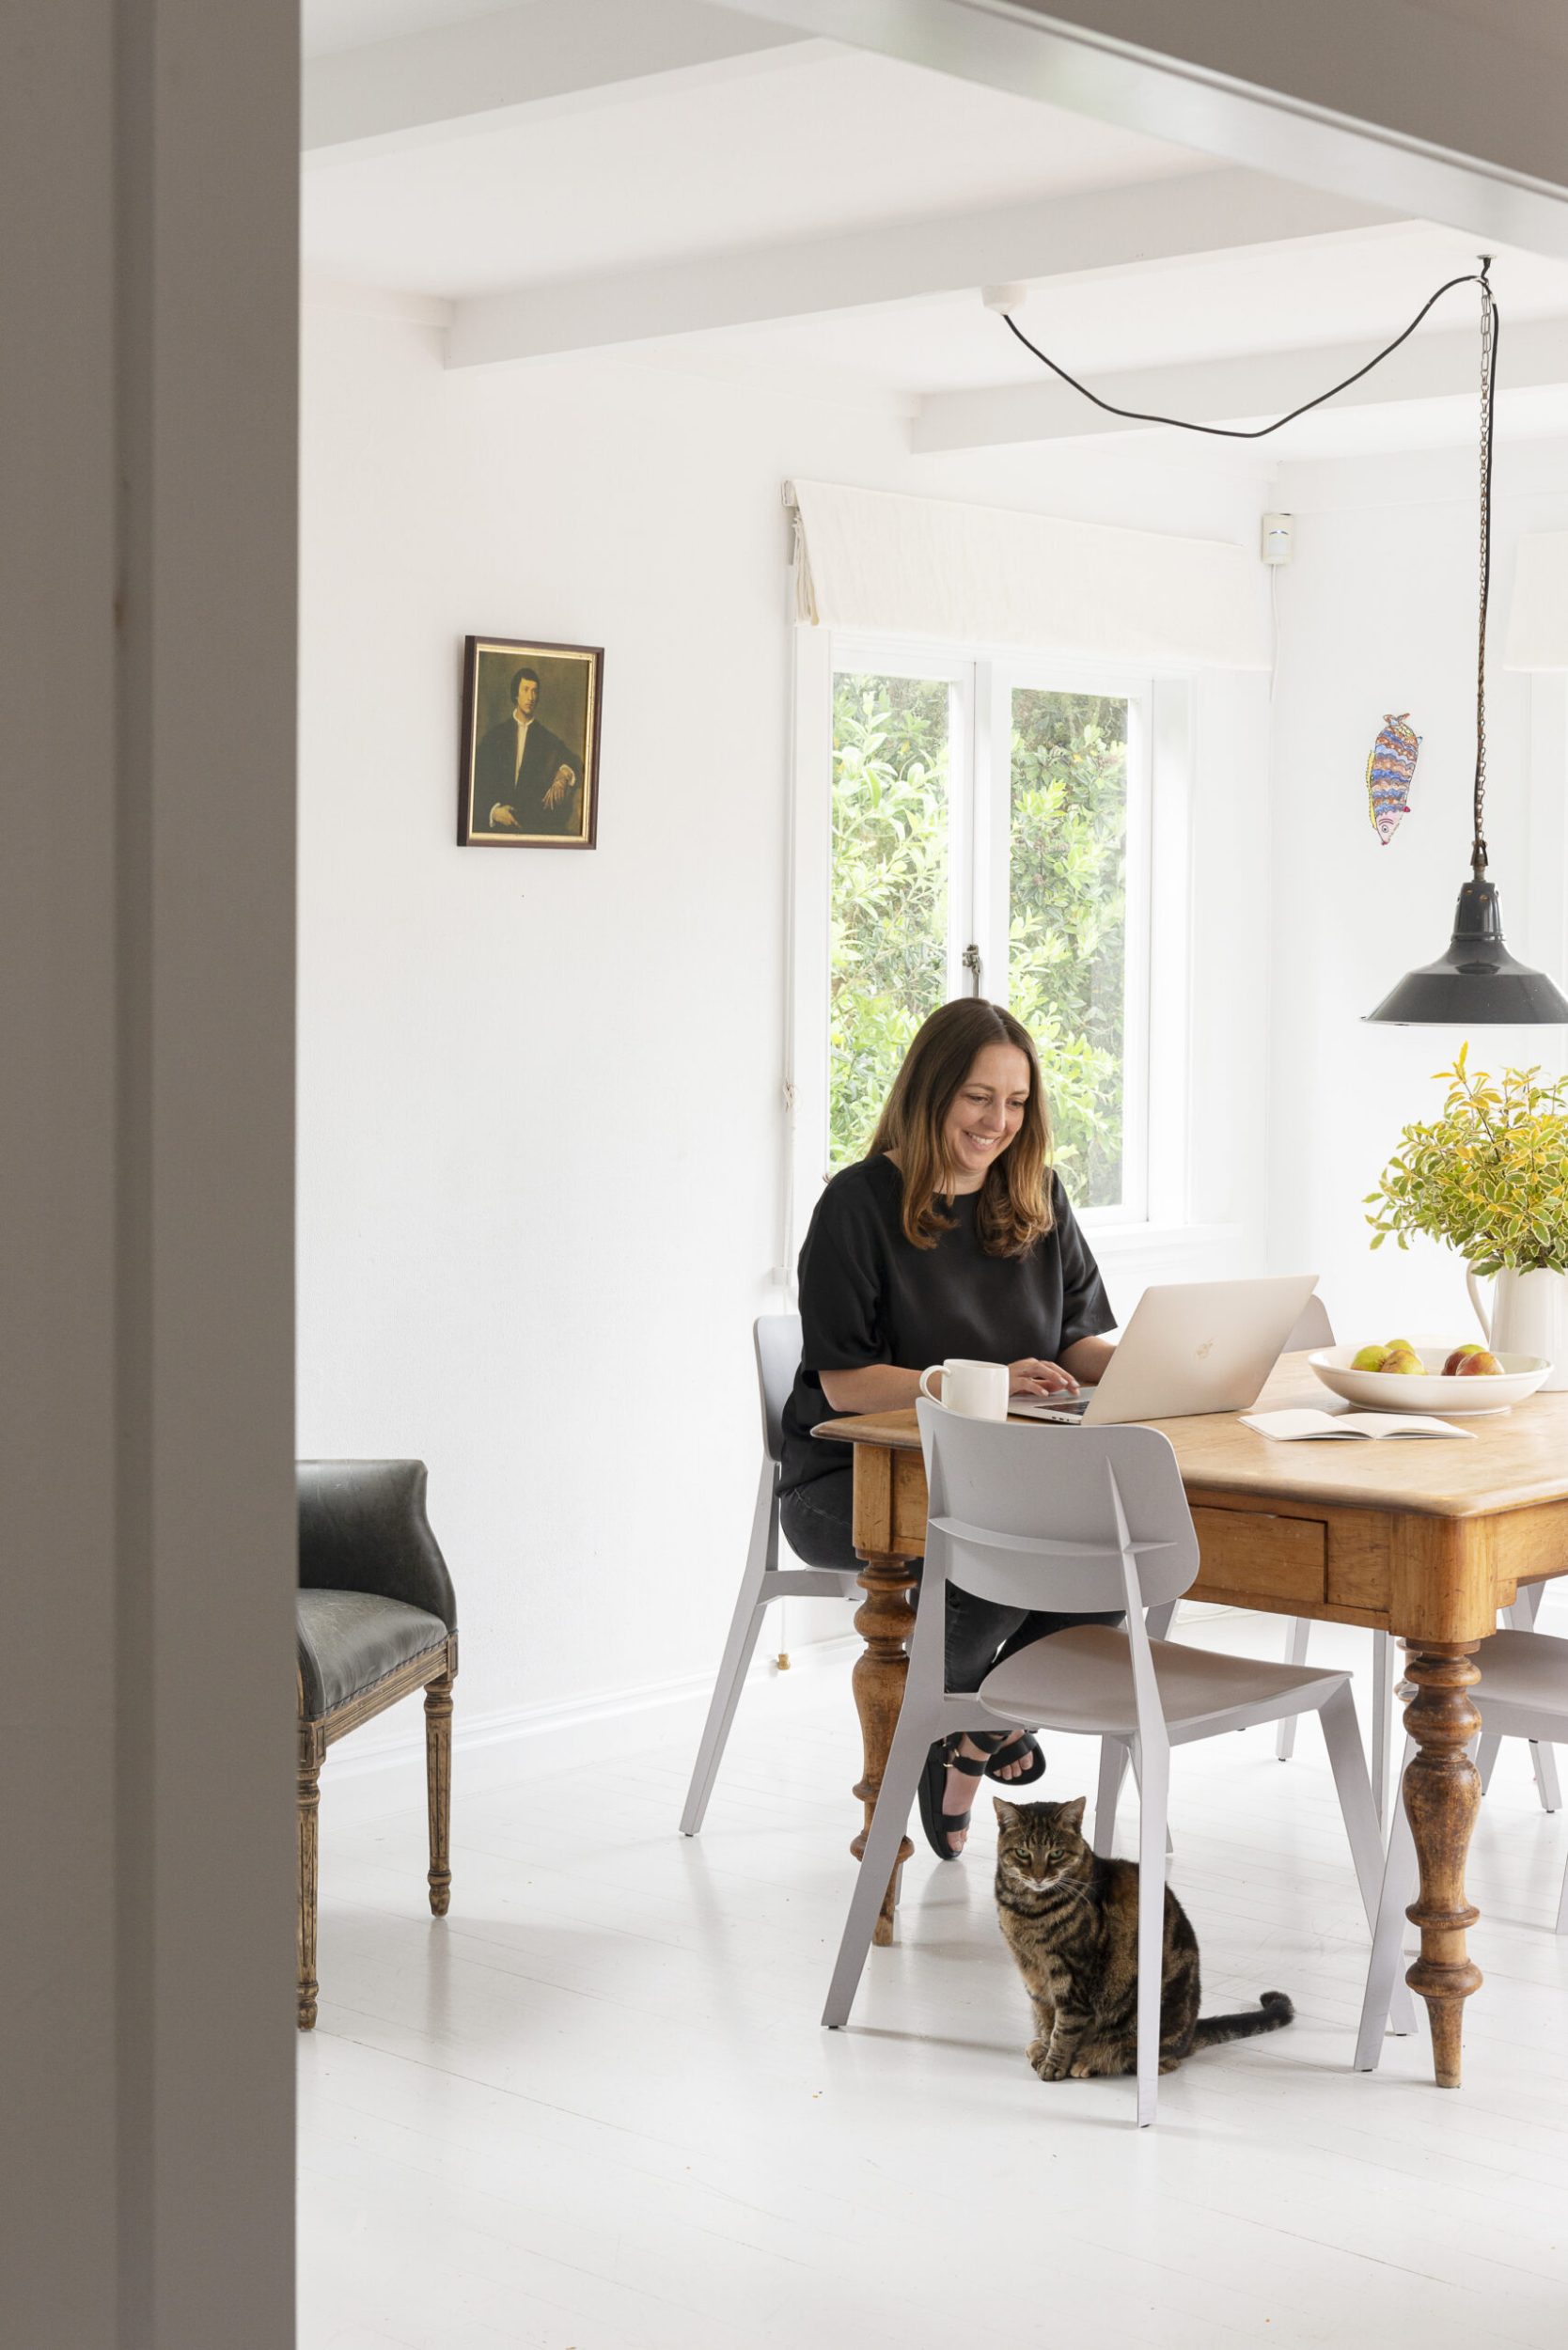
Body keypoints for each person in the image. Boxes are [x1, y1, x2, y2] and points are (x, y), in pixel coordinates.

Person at [779, 996, 1120, 1860]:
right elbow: (847, 1383)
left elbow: (1079, 1342)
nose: (998, 1122)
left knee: (1122, 1569)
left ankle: (971, 1736)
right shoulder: (858, 1205)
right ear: (931, 1092)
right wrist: (978, 1384)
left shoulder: (1037, 1195)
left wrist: (1169, 1369)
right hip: (851, 1484)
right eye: (978, 1098)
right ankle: (947, 1745)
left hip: (1004, 1479)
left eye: (1015, 1102)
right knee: (998, 1564)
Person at [474, 665, 583, 837]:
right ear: (516, 694)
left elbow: (576, 763)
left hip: (532, 828)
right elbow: (474, 781)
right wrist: (494, 812)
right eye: (525, 690)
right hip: (494, 829)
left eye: (535, 691)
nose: (531, 697)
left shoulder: (547, 739)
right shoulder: (494, 737)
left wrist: (563, 774)